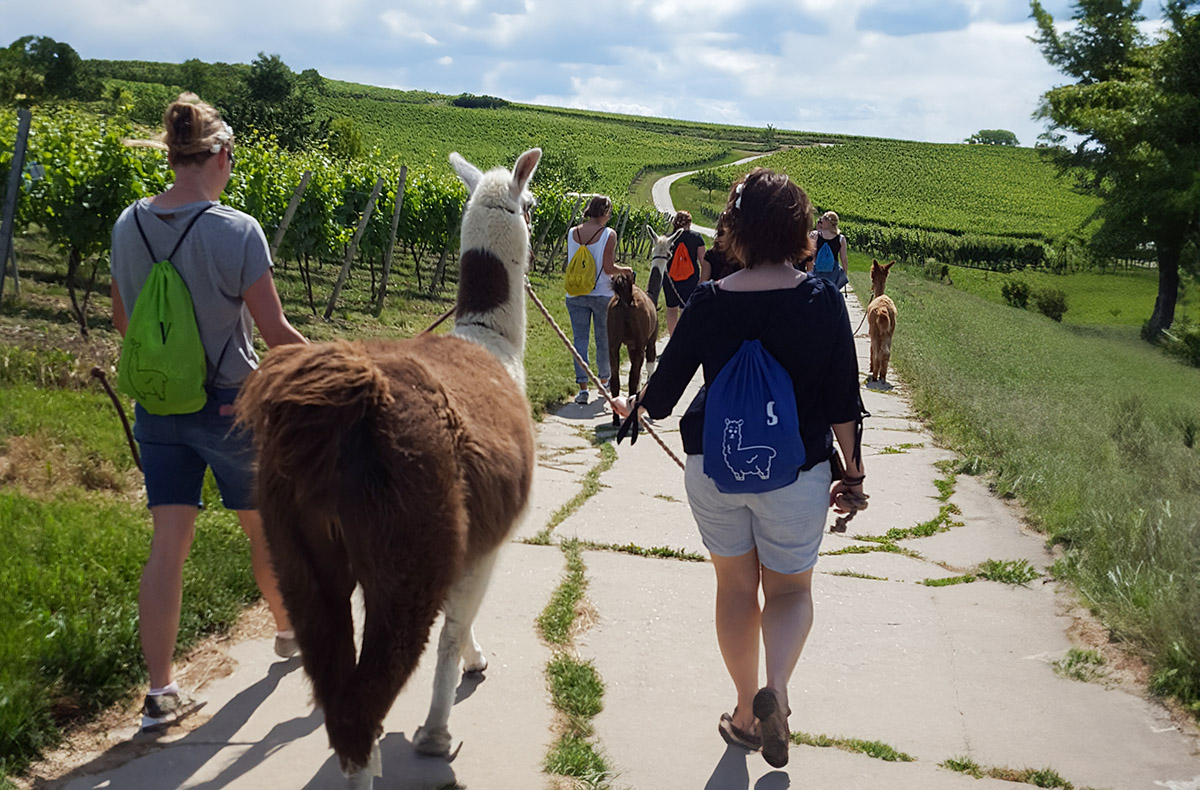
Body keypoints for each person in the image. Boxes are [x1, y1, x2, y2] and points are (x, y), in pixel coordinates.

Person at [613, 169, 866, 768]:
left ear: (734, 230)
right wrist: (852, 476)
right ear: (801, 231)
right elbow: (841, 401)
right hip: (796, 471)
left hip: (714, 467)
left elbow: (665, 389)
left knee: (733, 587)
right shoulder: (822, 300)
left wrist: (632, 405)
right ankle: (775, 692)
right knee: (789, 590)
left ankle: (745, 712)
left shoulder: (707, 301)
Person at [110, 93, 309, 732]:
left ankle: (160, 691)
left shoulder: (126, 225)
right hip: (228, 407)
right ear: (220, 156)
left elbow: (123, 320)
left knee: (168, 543)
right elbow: (274, 330)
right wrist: (345, 365)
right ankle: (287, 632)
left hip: (158, 409)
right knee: (263, 527)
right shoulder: (236, 230)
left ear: (174, 157)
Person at [565, 195, 633, 404]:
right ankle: (604, 382)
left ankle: (582, 388)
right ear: (604, 212)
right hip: (601, 294)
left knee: (580, 341)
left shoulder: (572, 232)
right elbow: (609, 268)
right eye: (609, 211)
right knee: (603, 340)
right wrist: (626, 270)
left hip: (575, 293)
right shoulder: (608, 234)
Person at [665, 210, 706, 334]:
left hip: (670, 280)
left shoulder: (667, 238)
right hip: (690, 279)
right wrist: (702, 281)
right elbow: (704, 262)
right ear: (689, 223)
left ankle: (672, 339)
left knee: (672, 309)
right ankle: (684, 339)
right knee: (686, 309)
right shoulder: (696, 238)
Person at [808, 210, 849, 289]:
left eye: (822, 219)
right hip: (833, 270)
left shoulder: (816, 235)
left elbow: (812, 255)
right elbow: (844, 258)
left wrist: (809, 271)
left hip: (818, 269)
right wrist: (845, 272)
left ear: (828, 222)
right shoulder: (841, 238)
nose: (820, 221)